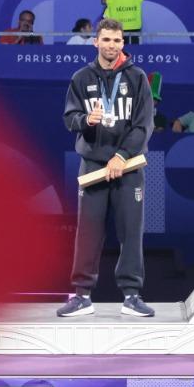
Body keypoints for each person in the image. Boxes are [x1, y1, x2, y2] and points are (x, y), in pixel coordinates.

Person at [57, 19, 155, 319]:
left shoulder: (137, 77)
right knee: (88, 233)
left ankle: (131, 295)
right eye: (106, 40)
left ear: (123, 43)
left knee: (131, 233)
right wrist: (87, 120)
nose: (112, 45)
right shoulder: (81, 78)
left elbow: (144, 124)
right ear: (95, 42)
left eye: (117, 40)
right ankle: (82, 295)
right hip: (94, 167)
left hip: (128, 166)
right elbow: (69, 118)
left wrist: (122, 156)